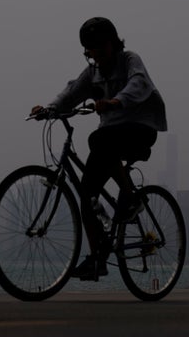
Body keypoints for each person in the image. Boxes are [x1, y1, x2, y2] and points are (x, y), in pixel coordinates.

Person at [30, 17, 167, 281]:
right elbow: (71, 92)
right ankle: (97, 259)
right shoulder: (92, 74)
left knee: (98, 139)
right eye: (91, 51)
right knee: (86, 196)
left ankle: (131, 199)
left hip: (141, 128)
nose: (97, 56)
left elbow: (138, 83)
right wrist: (48, 108)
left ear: (114, 44)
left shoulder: (129, 60)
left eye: (101, 49)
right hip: (110, 137)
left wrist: (115, 101)